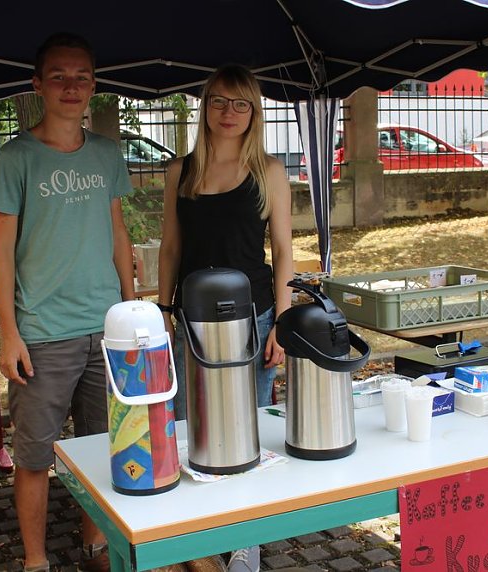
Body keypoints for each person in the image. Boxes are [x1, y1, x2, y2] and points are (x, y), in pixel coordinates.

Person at [0, 32, 135, 572]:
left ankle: (96, 544)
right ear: (37, 85)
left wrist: (131, 311)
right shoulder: (15, 158)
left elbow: (118, 234)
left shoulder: (106, 154)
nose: (71, 87)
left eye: (81, 77)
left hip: (107, 330)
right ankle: (34, 559)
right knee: (34, 456)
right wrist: (10, 333)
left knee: (104, 448)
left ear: (94, 86)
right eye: (59, 77)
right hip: (44, 334)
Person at [156, 64, 293, 572]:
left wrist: (281, 320)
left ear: (254, 112)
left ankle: (244, 551)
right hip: (190, 323)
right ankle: (196, 547)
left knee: (245, 436)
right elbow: (171, 246)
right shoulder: (181, 171)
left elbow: (282, 250)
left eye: (240, 104)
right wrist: (164, 309)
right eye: (218, 101)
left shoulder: (269, 172)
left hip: (253, 321)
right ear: (204, 106)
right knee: (191, 432)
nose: (228, 113)